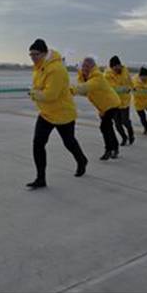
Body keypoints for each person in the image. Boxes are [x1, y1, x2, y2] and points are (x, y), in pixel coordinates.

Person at [27, 39, 88, 189]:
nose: (33, 57)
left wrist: (34, 94)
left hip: (63, 113)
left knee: (69, 142)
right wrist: (35, 92)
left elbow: (50, 95)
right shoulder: (39, 67)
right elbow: (40, 86)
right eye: (31, 55)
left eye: (35, 54)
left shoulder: (56, 69)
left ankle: (81, 160)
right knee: (38, 144)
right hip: (46, 113)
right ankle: (41, 178)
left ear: (44, 53)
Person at [73, 57, 121, 160]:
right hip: (104, 107)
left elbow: (84, 88)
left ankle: (109, 150)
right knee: (108, 128)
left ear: (92, 67)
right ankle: (114, 148)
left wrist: (68, 91)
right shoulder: (85, 78)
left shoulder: (97, 77)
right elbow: (84, 91)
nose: (85, 68)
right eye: (83, 66)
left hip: (112, 104)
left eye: (87, 66)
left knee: (104, 127)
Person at [105, 56, 135, 146]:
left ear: (120, 65)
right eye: (113, 68)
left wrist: (131, 88)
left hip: (125, 101)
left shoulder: (125, 72)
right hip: (114, 102)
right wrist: (123, 89)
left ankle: (131, 134)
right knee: (117, 124)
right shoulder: (107, 75)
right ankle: (124, 138)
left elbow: (130, 83)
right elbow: (111, 88)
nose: (116, 69)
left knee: (125, 121)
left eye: (117, 66)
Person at [132, 67, 147, 135]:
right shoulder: (134, 81)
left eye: (146, 77)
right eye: (143, 77)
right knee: (143, 118)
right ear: (140, 76)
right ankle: (146, 128)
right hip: (138, 103)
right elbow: (135, 93)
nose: (145, 79)